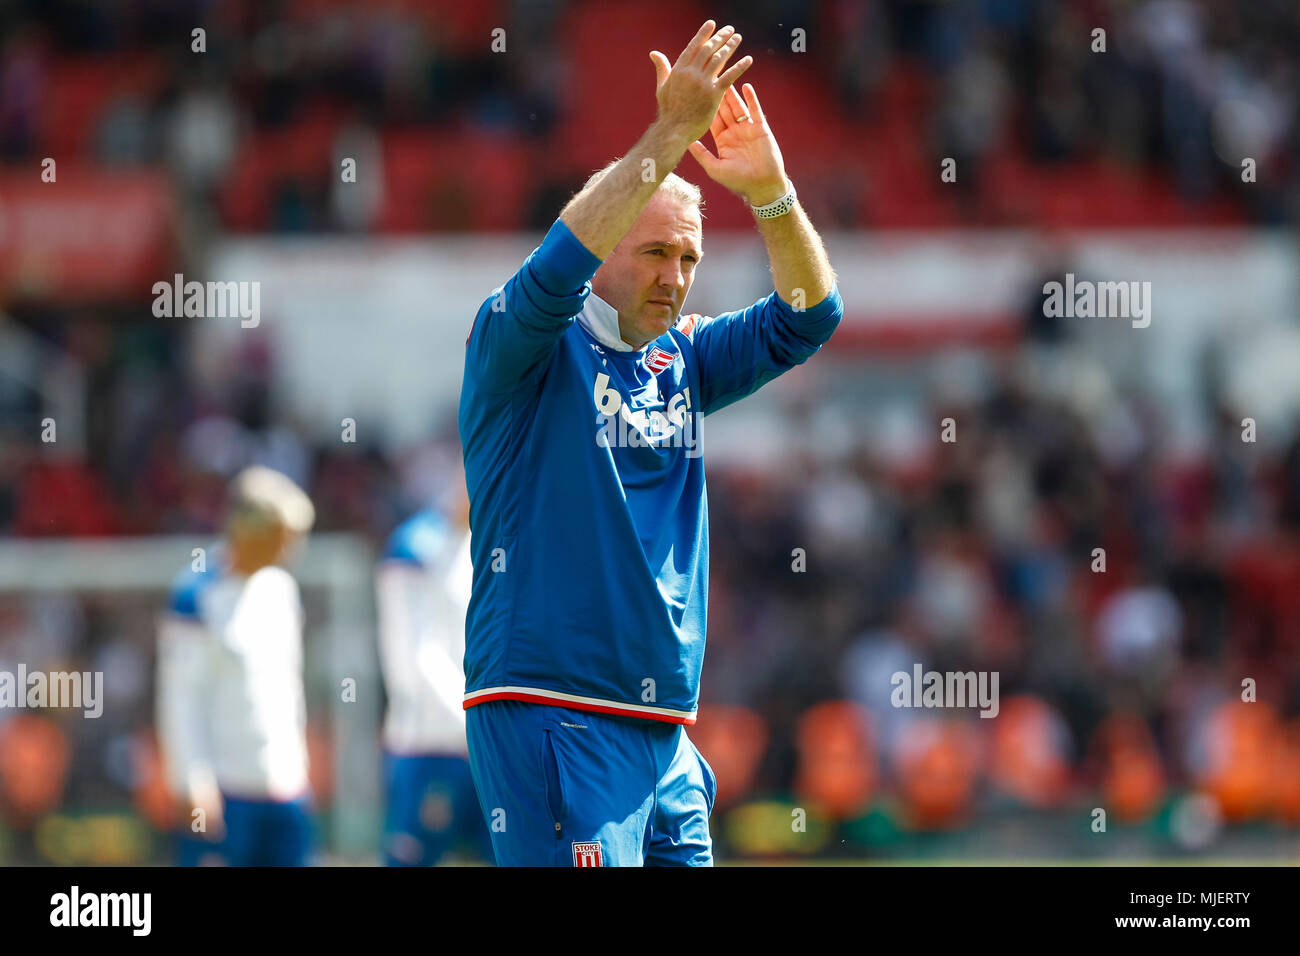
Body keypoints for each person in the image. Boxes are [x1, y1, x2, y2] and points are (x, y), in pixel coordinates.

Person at [458, 20, 842, 866]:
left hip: (664, 736)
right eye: (656, 252)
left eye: (691, 259)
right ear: (606, 249)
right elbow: (556, 267)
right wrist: (670, 135)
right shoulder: (520, 344)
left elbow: (811, 316)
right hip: (550, 706)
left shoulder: (686, 358)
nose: (675, 276)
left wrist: (773, 192)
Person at [155, 465, 317, 866]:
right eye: (282, 535)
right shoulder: (195, 596)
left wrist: (298, 765)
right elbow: (181, 698)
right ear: (248, 529)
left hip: (284, 786)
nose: (289, 548)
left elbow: (288, 688)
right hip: (224, 790)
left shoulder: (282, 591)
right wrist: (192, 783)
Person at [375, 486, 491, 865]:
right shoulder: (415, 545)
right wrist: (469, 721)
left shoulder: (479, 538)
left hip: (478, 738)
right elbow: (411, 653)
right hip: (428, 743)